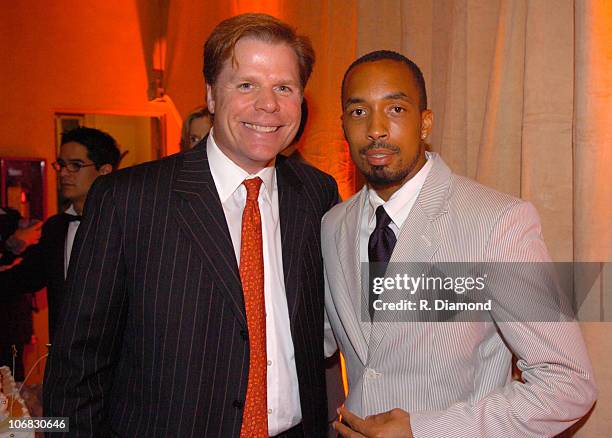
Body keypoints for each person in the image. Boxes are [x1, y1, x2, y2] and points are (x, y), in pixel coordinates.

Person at [44, 13, 338, 437]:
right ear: (211, 96)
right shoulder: (128, 200)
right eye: (246, 84)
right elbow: (77, 365)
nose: (268, 104)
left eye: (284, 88)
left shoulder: (317, 194)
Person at [323, 50, 596, 437]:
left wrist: (426, 430)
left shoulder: (496, 223)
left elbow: (569, 383)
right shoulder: (332, 226)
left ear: (425, 123)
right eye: (358, 112)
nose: (376, 129)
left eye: (396, 109)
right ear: (344, 126)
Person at [0, 127, 121, 339]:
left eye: (75, 165)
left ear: (105, 171)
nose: (63, 173)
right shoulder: (56, 228)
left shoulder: (127, 226)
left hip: (119, 360)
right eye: (62, 165)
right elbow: (23, 278)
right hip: (65, 357)